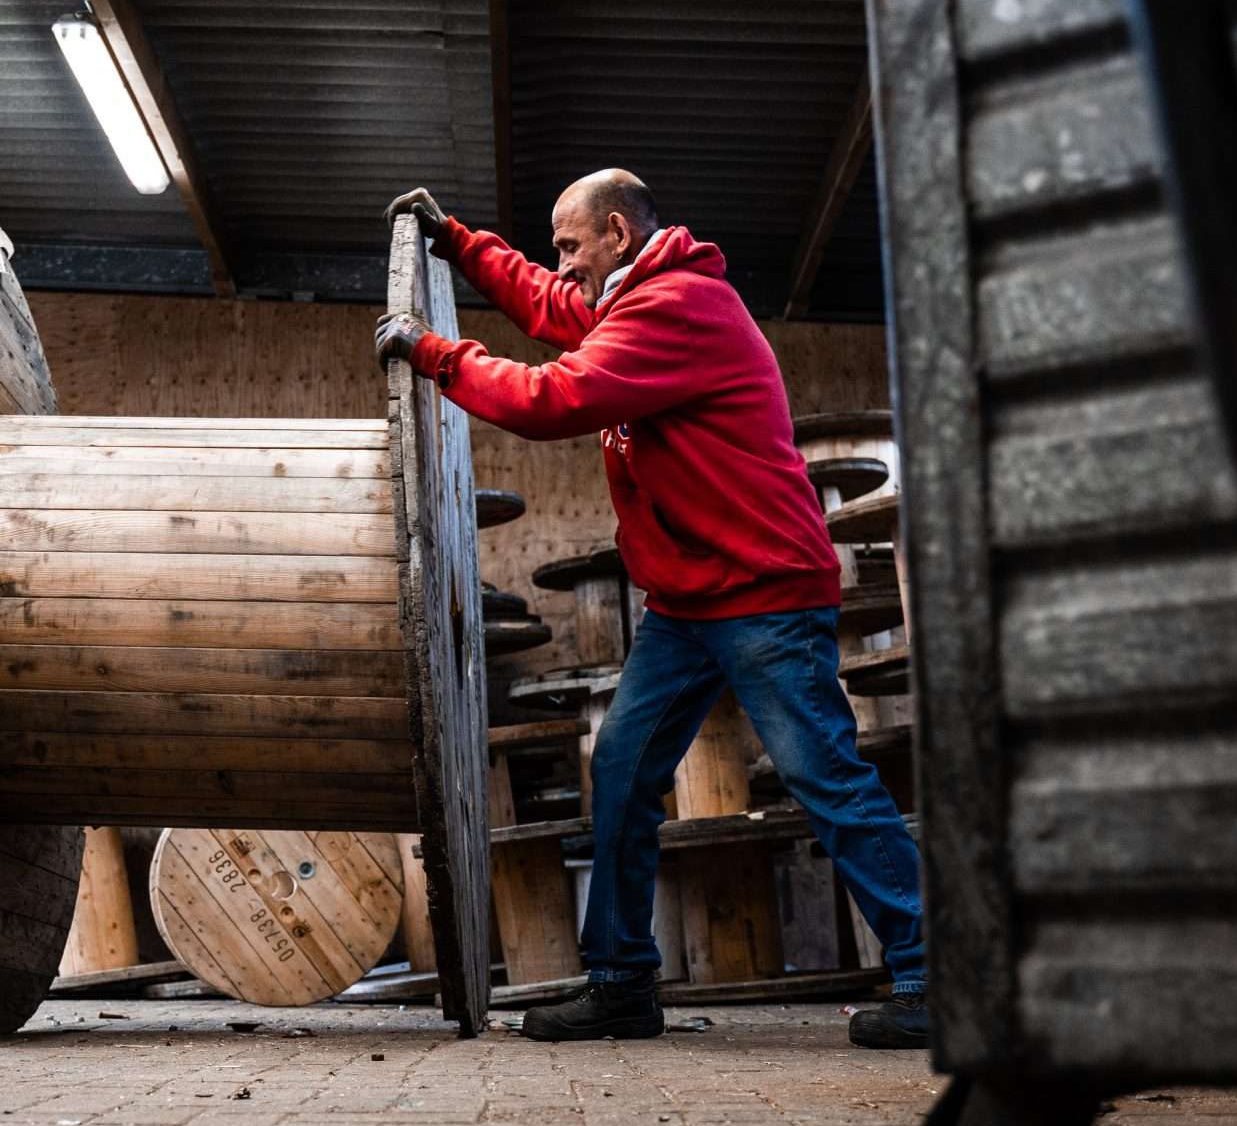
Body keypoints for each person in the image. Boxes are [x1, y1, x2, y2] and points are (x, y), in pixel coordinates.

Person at [376, 172, 929, 1049]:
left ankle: (938, 977)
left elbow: (553, 398)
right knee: (626, 766)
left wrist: (435, 353)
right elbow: (549, 302)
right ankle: (623, 984)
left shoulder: (678, 308)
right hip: (691, 601)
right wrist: (460, 243)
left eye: (571, 243)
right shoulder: (626, 297)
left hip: (762, 592)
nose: (562, 263)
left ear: (619, 234)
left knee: (824, 775)